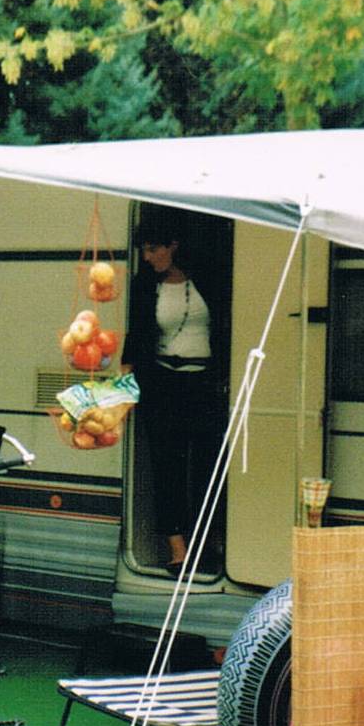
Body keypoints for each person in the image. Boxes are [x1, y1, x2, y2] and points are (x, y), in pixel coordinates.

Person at [122, 210, 226, 573]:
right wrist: (121, 387)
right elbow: (135, 336)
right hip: (163, 383)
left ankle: (208, 541)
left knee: (206, 465)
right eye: (144, 250)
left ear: (174, 246)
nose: (148, 257)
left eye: (154, 249)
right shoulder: (144, 285)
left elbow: (225, 327)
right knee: (167, 467)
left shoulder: (207, 279)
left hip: (204, 382)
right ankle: (177, 549)